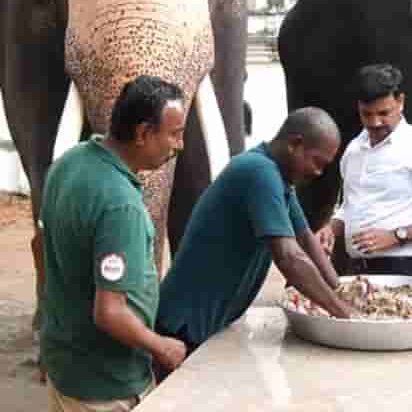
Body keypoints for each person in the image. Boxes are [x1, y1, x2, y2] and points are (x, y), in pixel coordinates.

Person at [153, 108, 354, 380]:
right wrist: (346, 317)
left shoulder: (279, 177)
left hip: (209, 323)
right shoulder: (259, 172)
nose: (318, 172)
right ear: (295, 144)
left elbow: (305, 237)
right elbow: (290, 257)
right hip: (184, 326)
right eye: (317, 162)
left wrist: (341, 291)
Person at [40, 76, 189, 410]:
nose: (179, 145)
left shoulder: (69, 162)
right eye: (175, 134)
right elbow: (109, 313)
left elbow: (41, 246)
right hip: (106, 386)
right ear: (143, 134)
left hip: (64, 366)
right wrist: (162, 347)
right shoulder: (121, 205)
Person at [316, 64, 412, 277]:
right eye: (366, 114)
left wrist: (396, 236)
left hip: (405, 268)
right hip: (356, 269)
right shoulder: (354, 149)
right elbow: (350, 205)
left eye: (383, 113)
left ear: (400, 101)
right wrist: (330, 228)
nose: (375, 122)